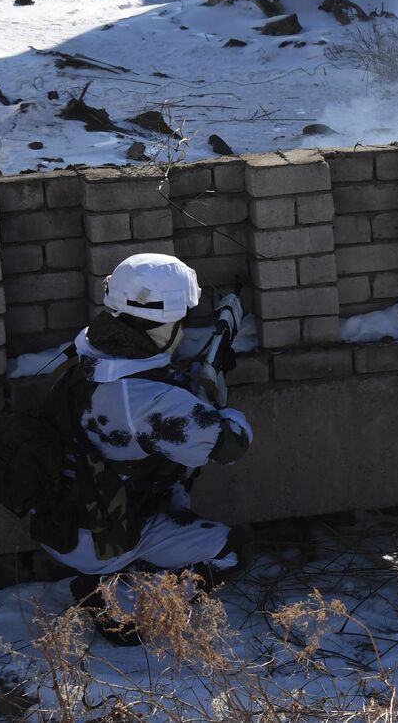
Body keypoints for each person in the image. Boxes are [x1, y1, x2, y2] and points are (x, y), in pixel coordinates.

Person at [42, 253, 253, 644]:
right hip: (105, 537)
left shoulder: (86, 353)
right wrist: (216, 404)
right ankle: (120, 611)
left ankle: (114, 574)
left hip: (61, 519)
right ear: (169, 323)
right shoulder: (150, 400)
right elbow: (230, 445)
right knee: (232, 550)